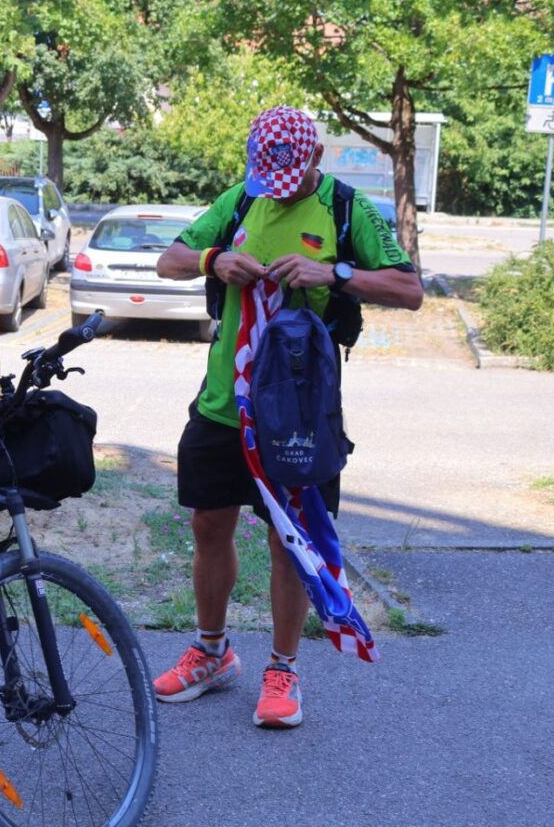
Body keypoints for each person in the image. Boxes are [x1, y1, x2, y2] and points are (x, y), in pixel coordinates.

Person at [153, 106, 423, 728]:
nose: (274, 190)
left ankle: (283, 667)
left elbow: (410, 290)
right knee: (209, 526)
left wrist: (336, 272)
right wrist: (213, 260)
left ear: (317, 159)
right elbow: (170, 258)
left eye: (288, 178)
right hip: (224, 404)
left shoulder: (348, 208)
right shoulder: (242, 200)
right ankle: (212, 652)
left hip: (299, 414)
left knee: (288, 539)